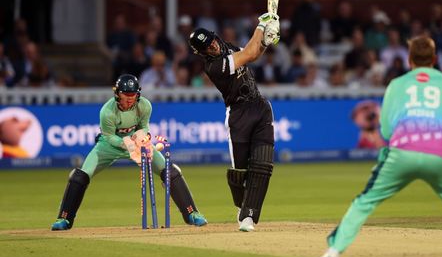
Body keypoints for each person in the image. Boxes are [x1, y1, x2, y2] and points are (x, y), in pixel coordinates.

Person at [316, 35, 442, 257]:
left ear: (409, 59)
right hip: (439, 154)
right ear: (434, 58)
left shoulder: (397, 84)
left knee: (365, 201)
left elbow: (387, 130)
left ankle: (333, 252)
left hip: (402, 153)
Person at [51, 74, 207, 230]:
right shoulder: (107, 112)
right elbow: (109, 136)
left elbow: (144, 127)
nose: (130, 98)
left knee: (170, 172)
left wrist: (142, 136)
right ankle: (64, 218)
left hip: (136, 144)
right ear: (117, 93)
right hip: (109, 146)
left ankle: (192, 213)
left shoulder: (145, 105)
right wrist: (125, 143)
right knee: (80, 176)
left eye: (133, 94)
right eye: (126, 94)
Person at [188, 13, 280, 232]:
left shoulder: (226, 46)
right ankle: (240, 207)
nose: (213, 47)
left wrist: (266, 41)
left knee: (263, 165)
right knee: (240, 171)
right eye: (207, 48)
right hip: (239, 115)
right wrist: (261, 25)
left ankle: (249, 216)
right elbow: (247, 53)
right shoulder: (214, 66)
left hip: (260, 107)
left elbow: (254, 55)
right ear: (202, 53)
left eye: (212, 42)